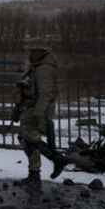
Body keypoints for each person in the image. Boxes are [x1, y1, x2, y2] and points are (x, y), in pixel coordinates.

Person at [12, 39, 67, 186]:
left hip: (38, 110)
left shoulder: (44, 69)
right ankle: (56, 159)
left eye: (31, 51)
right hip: (32, 108)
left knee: (30, 140)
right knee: (26, 139)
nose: (28, 54)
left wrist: (38, 113)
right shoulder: (38, 67)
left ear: (38, 53)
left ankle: (35, 174)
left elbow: (45, 94)